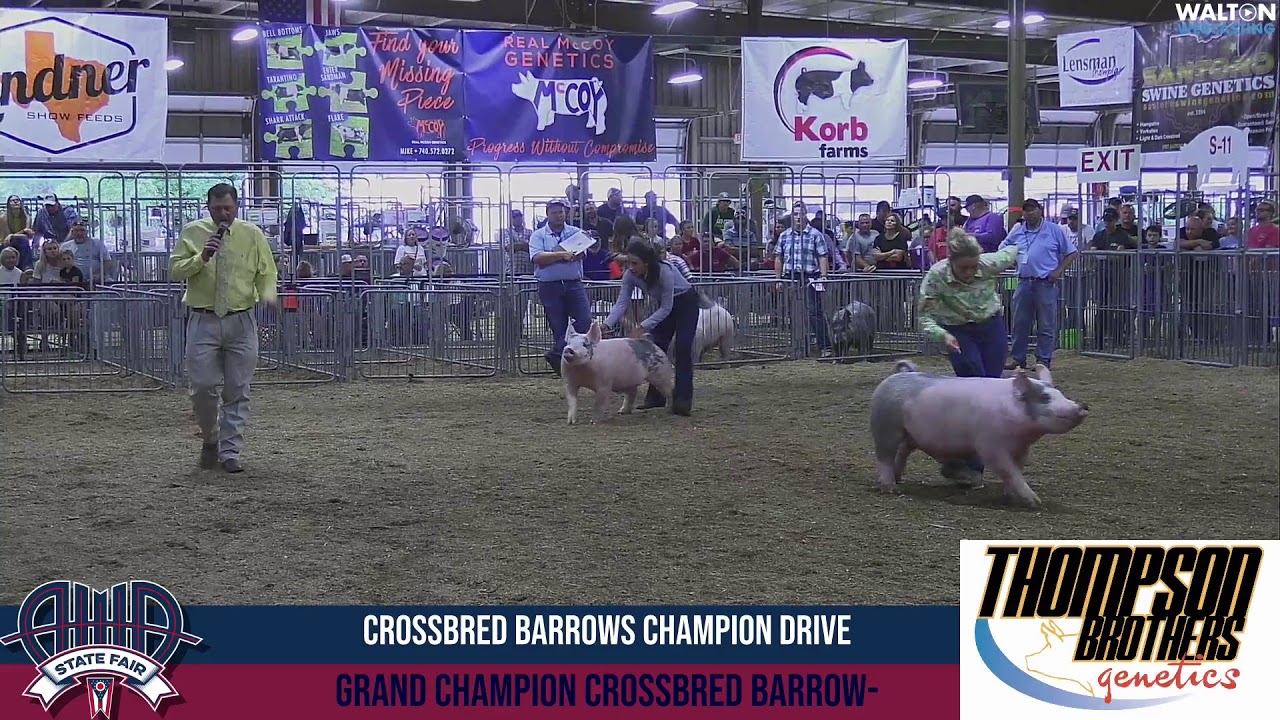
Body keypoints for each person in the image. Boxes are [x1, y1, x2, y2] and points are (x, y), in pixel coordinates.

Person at [169, 183, 278, 474]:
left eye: (228, 208)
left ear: (237, 206)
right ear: (208, 208)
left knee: (237, 388)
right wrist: (201, 257)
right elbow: (175, 270)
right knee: (203, 386)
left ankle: (231, 452)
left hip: (241, 319)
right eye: (217, 209)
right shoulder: (192, 232)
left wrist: (268, 298)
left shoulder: (252, 234)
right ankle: (210, 437)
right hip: (203, 318)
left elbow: (266, 271)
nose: (223, 213)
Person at [917, 227, 1021, 483]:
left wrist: (1020, 231)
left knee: (991, 385)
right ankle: (969, 462)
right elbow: (924, 317)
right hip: (957, 331)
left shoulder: (989, 263)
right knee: (975, 387)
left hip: (991, 326)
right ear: (950, 262)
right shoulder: (936, 276)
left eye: (974, 266)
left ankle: (972, 458)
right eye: (964, 268)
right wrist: (943, 336)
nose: (971, 272)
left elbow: (1012, 250)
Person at [603, 239, 699, 416]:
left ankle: (683, 400)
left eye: (635, 263)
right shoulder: (630, 275)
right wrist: (606, 324)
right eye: (628, 263)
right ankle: (656, 397)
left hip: (686, 302)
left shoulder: (665, 272)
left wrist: (642, 326)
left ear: (646, 262)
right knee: (655, 349)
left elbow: (667, 308)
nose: (630, 267)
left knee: (683, 348)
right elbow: (622, 302)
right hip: (665, 306)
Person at [1001, 198, 1078, 370]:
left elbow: (1072, 253)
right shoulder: (1018, 231)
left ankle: (1043, 359)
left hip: (1045, 283)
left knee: (1046, 323)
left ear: (1040, 210)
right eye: (1026, 210)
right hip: (1023, 281)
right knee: (1019, 323)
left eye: (1033, 209)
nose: (1029, 213)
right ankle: (1018, 358)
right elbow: (1004, 246)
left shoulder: (1054, 230)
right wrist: (1010, 259)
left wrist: (1058, 271)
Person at [529, 198, 590, 377]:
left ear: (566, 213)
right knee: (558, 325)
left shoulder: (576, 231)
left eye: (561, 212)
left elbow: (582, 253)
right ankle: (565, 365)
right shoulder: (538, 235)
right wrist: (563, 255)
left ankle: (557, 355)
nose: (558, 215)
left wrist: (554, 256)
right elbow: (538, 259)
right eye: (554, 212)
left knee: (584, 319)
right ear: (547, 214)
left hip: (574, 283)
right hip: (549, 286)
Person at [774, 205, 832, 358]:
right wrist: (778, 279)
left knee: (814, 312)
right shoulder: (785, 235)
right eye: (795, 214)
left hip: (809, 277)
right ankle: (798, 346)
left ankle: (825, 346)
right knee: (793, 314)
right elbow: (778, 257)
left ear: (806, 216)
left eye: (801, 214)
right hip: (790, 278)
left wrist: (823, 276)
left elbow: (822, 256)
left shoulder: (815, 234)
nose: (798, 217)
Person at [61, 219, 114, 285]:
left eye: (82, 230)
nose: (79, 233)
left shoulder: (97, 243)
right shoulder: (65, 246)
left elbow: (107, 261)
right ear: (72, 232)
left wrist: (99, 274)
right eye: (76, 230)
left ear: (87, 231)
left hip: (97, 279)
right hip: (72, 280)